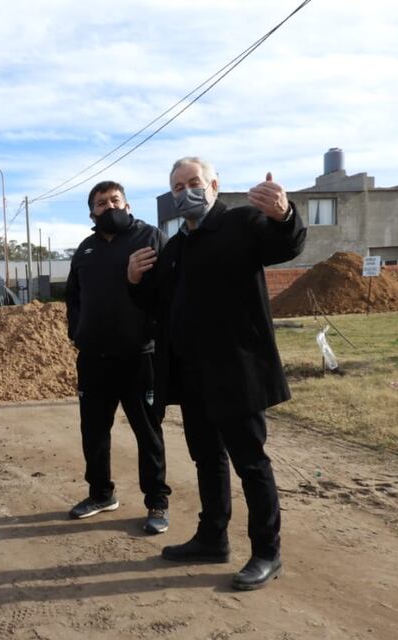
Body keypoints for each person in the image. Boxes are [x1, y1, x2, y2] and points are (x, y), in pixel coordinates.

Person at [127, 157, 305, 590]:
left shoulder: (242, 223)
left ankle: (267, 552)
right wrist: (134, 280)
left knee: (250, 462)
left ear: (213, 185)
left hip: (236, 371)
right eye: (177, 186)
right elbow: (158, 303)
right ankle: (212, 537)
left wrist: (285, 215)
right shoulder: (177, 246)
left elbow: (286, 245)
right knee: (206, 458)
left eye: (193, 182)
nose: (185, 191)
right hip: (192, 376)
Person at [65, 180, 172, 534]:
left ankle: (157, 501)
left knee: (148, 432)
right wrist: (76, 332)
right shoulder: (85, 249)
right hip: (94, 358)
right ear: (91, 212)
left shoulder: (150, 237)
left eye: (114, 200)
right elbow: (74, 298)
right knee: (94, 431)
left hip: (139, 356)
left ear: (127, 204)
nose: (108, 207)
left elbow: (168, 289)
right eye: (100, 203)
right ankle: (100, 493)